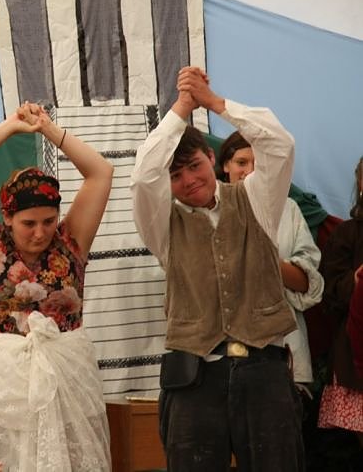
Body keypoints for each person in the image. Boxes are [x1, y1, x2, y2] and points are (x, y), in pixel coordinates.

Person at [130, 66, 304, 470]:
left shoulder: (256, 200)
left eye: (194, 166)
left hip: (264, 373)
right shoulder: (162, 226)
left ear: (212, 158)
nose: (189, 180)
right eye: (175, 176)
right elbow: (143, 178)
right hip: (194, 379)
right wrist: (181, 108)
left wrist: (213, 103)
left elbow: (280, 144)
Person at [0, 102, 113, 470]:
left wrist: (49, 129)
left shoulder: (70, 241)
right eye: (29, 223)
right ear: (7, 216)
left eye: (49, 221)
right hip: (0, 386)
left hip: (65, 384)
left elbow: (101, 172)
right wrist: (10, 127)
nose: (40, 232)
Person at [216, 133, 324, 389]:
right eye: (241, 162)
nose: (250, 172)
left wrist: (268, 258)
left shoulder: (289, 209)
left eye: (259, 164)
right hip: (221, 357)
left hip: (284, 352)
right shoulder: (208, 211)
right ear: (225, 165)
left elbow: (308, 285)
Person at [317, 157, 363, 458]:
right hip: (356, 360)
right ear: (360, 184)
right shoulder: (347, 234)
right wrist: (355, 281)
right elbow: (327, 295)